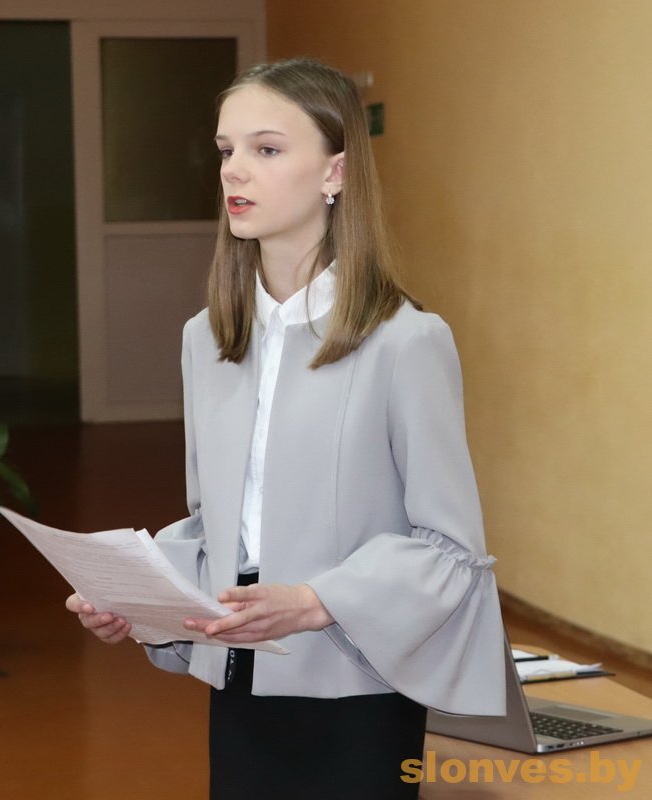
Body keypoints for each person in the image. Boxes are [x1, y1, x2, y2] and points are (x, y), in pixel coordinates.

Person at [67, 57, 505, 798]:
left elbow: (450, 549)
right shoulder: (206, 338)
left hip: (358, 685)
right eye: (225, 150)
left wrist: (314, 601)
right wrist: (137, 601)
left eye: (266, 149)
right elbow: (219, 526)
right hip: (241, 678)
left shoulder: (406, 341)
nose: (234, 171)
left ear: (336, 172)